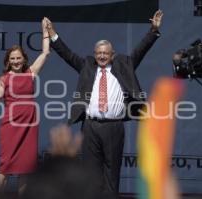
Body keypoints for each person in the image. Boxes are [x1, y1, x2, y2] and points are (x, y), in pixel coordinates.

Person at [44, 10, 163, 198]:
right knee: (90, 171)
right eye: (98, 53)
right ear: (94, 54)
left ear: (112, 54)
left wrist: (153, 30)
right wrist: (52, 33)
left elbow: (141, 49)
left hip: (113, 127)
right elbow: (66, 54)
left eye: (105, 53)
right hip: (90, 126)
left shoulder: (124, 65)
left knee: (112, 170)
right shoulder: (87, 66)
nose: (101, 56)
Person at [0, 18, 50, 194]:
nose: (16, 61)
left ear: (24, 59)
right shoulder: (3, 79)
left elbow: (46, 53)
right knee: (6, 165)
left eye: (19, 58)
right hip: (11, 124)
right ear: (8, 61)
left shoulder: (31, 73)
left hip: (29, 124)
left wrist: (45, 31)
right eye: (13, 59)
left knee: (26, 166)